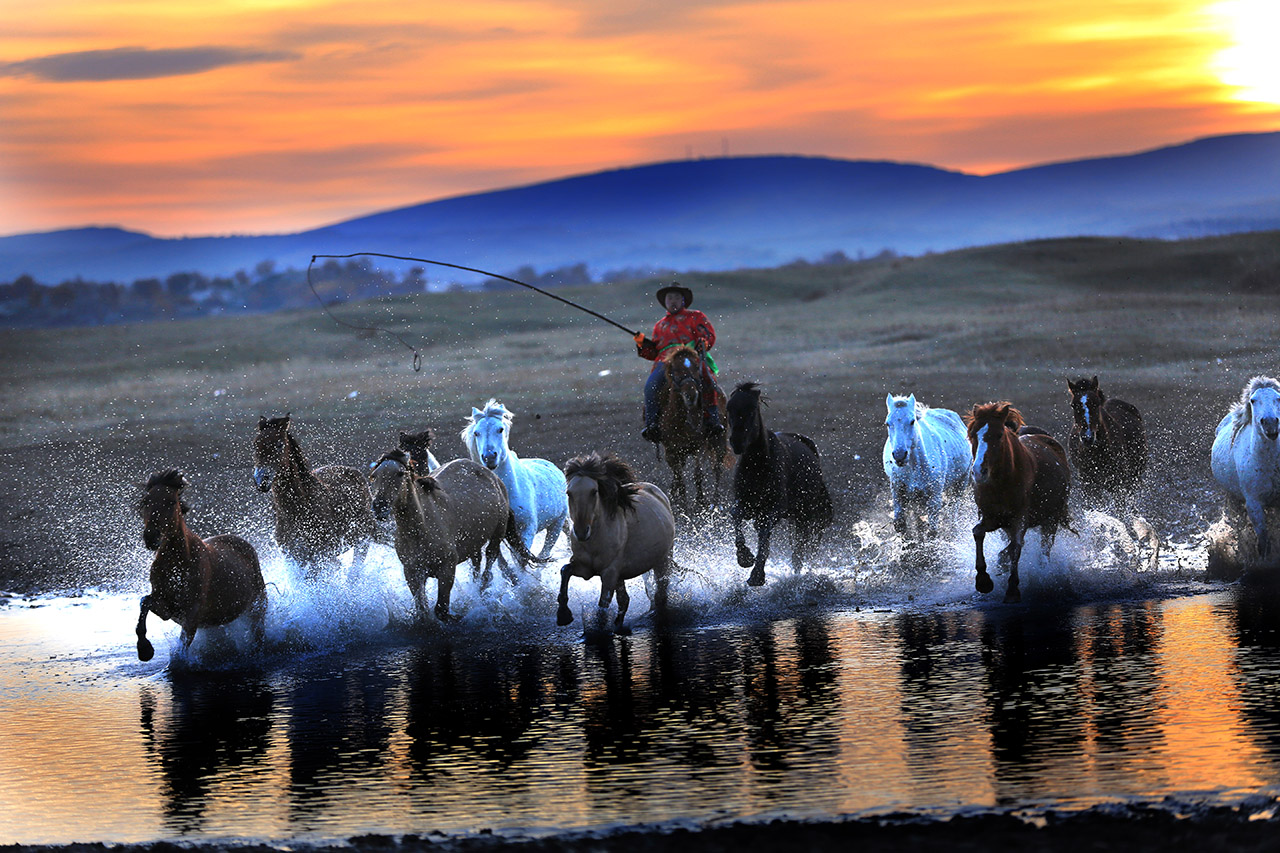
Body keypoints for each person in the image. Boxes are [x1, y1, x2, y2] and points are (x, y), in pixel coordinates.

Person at [634, 282, 724, 443]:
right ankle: (652, 424)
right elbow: (653, 353)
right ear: (665, 302)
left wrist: (703, 342)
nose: (673, 300)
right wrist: (642, 343)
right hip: (665, 363)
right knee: (651, 386)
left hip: (690, 359)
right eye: (670, 298)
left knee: (708, 380)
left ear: (683, 300)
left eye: (677, 297)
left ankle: (713, 420)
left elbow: (709, 336)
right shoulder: (659, 325)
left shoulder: (696, 316)